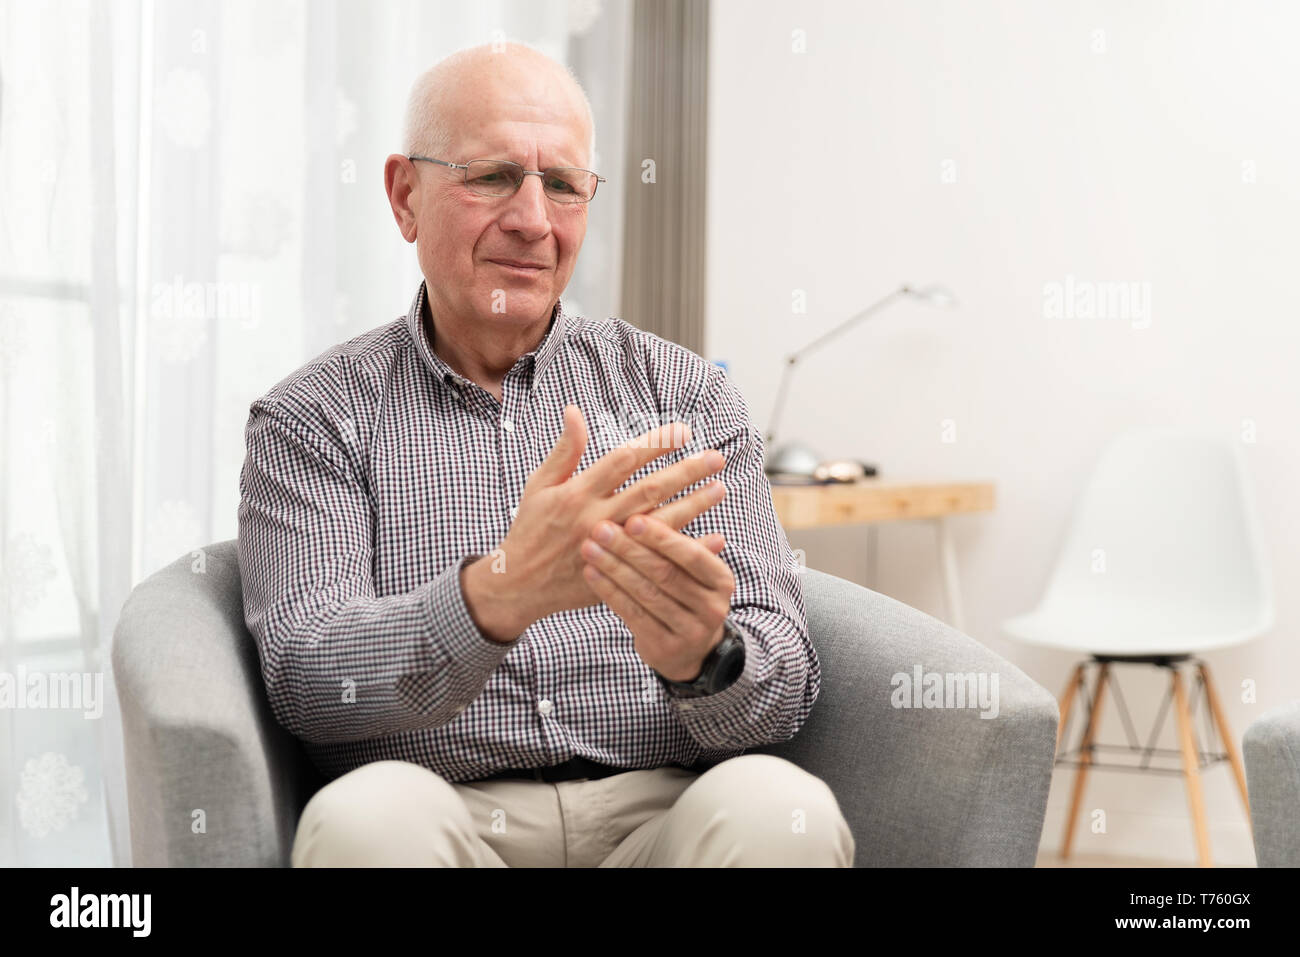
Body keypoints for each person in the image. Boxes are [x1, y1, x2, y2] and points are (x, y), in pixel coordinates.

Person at [236, 41, 853, 867]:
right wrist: (497, 594)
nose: (532, 219)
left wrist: (706, 658)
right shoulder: (311, 418)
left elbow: (783, 681)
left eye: (562, 184)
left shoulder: (687, 396)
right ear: (404, 194)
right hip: (441, 812)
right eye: (492, 175)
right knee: (362, 824)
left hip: (657, 811)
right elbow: (308, 678)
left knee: (783, 810)